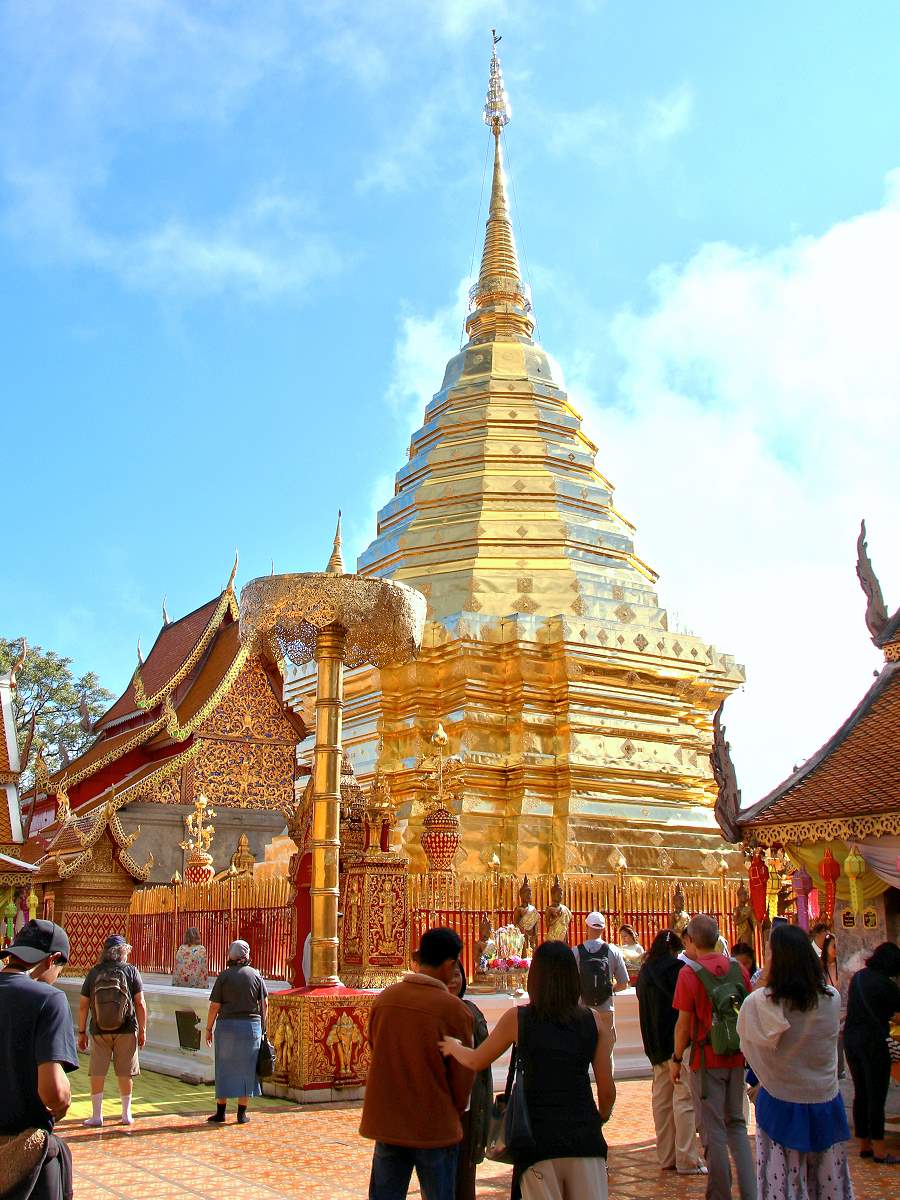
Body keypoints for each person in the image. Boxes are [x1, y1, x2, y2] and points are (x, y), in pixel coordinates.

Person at [441, 939, 615, 1200]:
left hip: (537, 1141)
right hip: (584, 1139)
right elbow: (607, 1089)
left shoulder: (519, 1019)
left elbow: (478, 1060)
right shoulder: (594, 1021)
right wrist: (598, 1118)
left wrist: (453, 1047)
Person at [737, 922, 852, 1199]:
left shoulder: (762, 1002)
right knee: (828, 1181)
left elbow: (750, 1045)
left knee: (782, 1184)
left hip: (780, 1099)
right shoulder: (831, 998)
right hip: (824, 1097)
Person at [360, 927, 474, 1200]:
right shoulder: (453, 1010)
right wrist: (453, 1110)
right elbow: (462, 1074)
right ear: (450, 964)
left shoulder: (385, 1000)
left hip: (388, 1121)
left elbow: (375, 1048)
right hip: (434, 1125)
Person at [671, 913, 756, 1200]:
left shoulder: (689, 973)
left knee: (714, 1129)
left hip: (705, 1058)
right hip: (735, 1055)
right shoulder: (737, 969)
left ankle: (720, 1193)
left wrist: (675, 1059)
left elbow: (683, 1024)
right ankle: (750, 1191)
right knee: (737, 1125)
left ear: (692, 940)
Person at [0, 920, 77, 1199]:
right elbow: (52, 1092)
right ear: (53, 959)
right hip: (24, 1158)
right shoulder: (49, 999)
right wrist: (63, 1097)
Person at [636, 930, 704, 1176]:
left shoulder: (644, 973)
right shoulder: (678, 970)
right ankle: (686, 1158)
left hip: (653, 1045)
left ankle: (666, 1156)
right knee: (683, 1099)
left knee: (662, 1102)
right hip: (677, 1045)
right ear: (675, 950)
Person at [78, 933, 147, 1127]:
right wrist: (142, 1030)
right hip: (126, 1028)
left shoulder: (94, 972)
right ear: (124, 951)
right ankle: (126, 1114)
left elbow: (83, 1004)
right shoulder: (131, 971)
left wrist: (81, 1031)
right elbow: (140, 1003)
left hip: (99, 1029)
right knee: (125, 1072)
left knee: (98, 1070)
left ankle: (97, 1115)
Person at [842, 940, 900, 1165]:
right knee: (877, 1095)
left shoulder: (859, 977)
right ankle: (880, 1149)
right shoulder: (886, 984)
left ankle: (864, 1144)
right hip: (874, 1043)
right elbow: (895, 1014)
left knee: (861, 1093)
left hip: (852, 1041)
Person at [206, 939, 268, 1124]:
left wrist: (208, 1028)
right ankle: (242, 1113)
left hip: (227, 1027)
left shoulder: (224, 976)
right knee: (247, 1069)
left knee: (224, 1067)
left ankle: (221, 1111)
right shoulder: (256, 975)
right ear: (246, 955)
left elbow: (214, 1006)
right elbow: (264, 1004)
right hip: (250, 1027)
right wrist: (264, 1027)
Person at [447, 960, 491, 1200]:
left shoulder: (472, 1011)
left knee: (464, 1177)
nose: (453, 980)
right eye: (448, 976)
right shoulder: (432, 1012)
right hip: (440, 1108)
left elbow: (484, 1062)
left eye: (457, 974)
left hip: (467, 1108)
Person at [574, 911, 629, 1040]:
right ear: (603, 929)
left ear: (586, 927)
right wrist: (610, 989)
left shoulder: (576, 952)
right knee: (607, 1054)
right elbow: (623, 983)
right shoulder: (613, 951)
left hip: (583, 1009)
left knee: (583, 1051)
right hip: (605, 1008)